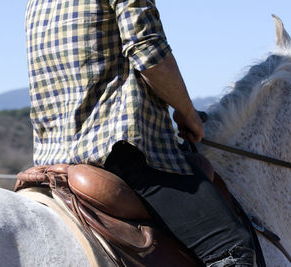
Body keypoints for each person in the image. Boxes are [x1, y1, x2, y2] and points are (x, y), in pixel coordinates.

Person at [25, 0, 255, 266]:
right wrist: (187, 112)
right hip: (120, 152)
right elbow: (147, 51)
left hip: (52, 158)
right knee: (232, 249)